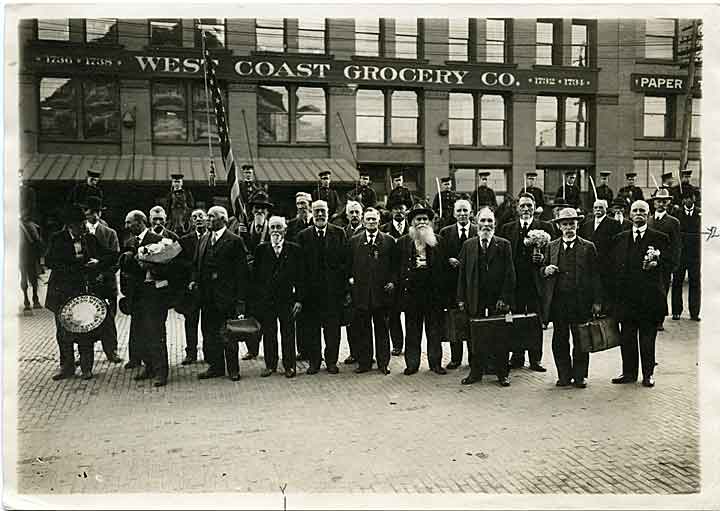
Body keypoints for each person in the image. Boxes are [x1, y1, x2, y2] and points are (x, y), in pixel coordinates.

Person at [45, 205, 118, 381]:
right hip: (62, 292)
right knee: (63, 332)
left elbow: (111, 255)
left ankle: (86, 367)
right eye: (80, 224)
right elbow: (50, 261)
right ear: (70, 225)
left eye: (84, 223)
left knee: (86, 330)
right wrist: (79, 267)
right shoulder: (57, 239)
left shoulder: (90, 239)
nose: (83, 227)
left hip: (83, 293)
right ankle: (67, 367)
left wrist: (98, 262)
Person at [610, 200, 670, 388]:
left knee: (647, 339)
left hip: (649, 298)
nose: (638, 214)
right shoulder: (620, 238)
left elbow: (671, 263)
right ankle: (628, 373)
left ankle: (648, 373)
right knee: (627, 338)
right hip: (626, 299)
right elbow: (613, 267)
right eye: (635, 210)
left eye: (642, 211)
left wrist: (657, 264)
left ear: (648, 214)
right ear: (629, 214)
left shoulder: (659, 238)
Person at [541, 208, 602, 389]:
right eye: (565, 224)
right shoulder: (551, 246)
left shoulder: (588, 247)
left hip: (580, 301)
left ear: (578, 225)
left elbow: (595, 275)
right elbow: (542, 268)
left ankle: (580, 375)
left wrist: (597, 301)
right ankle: (564, 375)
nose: (569, 228)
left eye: (572, 224)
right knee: (560, 339)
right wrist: (545, 270)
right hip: (559, 301)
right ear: (559, 226)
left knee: (581, 339)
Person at [190, 206, 250, 382]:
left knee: (228, 334)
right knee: (209, 334)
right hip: (206, 297)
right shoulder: (204, 239)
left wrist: (240, 300)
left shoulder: (234, 241)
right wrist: (193, 280)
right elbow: (195, 264)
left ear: (223, 219)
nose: (207, 219)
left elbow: (242, 272)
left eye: (211, 216)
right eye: (207, 216)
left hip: (227, 298)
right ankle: (215, 367)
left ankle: (233, 369)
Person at [457, 207, 516, 386]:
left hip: (497, 301)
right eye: (483, 221)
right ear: (476, 223)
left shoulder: (504, 245)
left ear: (495, 224)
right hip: (475, 299)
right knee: (475, 337)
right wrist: (461, 298)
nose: (486, 225)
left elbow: (510, 275)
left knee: (500, 337)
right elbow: (462, 274)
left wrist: (505, 299)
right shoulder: (469, 245)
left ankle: (502, 374)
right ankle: (476, 373)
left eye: (490, 221)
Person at [120, 210, 177, 387]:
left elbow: (171, 267)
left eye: (129, 223)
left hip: (154, 295)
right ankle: (149, 366)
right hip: (136, 296)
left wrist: (150, 268)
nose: (127, 226)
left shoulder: (158, 240)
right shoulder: (129, 242)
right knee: (142, 333)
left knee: (156, 333)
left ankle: (161, 371)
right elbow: (124, 270)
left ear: (140, 222)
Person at [499, 193, 555, 371]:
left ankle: (535, 358)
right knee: (514, 320)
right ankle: (517, 356)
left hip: (534, 283)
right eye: (522, 205)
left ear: (535, 207)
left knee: (534, 320)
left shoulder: (545, 227)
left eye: (529, 205)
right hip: (515, 283)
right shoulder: (507, 228)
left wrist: (542, 259)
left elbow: (553, 253)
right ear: (517, 208)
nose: (525, 209)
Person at [296, 200, 349, 375]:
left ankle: (332, 361)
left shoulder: (339, 233)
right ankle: (314, 362)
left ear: (328, 212)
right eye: (316, 211)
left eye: (323, 211)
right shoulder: (303, 236)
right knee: (311, 329)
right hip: (311, 294)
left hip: (333, 293)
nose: (320, 214)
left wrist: (343, 291)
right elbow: (301, 268)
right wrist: (301, 295)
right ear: (312, 213)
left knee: (332, 330)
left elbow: (345, 263)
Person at [395, 203, 447, 376]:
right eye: (418, 219)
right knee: (412, 331)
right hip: (412, 294)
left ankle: (435, 363)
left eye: (425, 219)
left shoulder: (438, 241)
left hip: (433, 294)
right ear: (412, 222)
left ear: (430, 222)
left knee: (434, 331)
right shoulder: (403, 242)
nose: (422, 222)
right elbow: (397, 269)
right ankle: (412, 364)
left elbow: (443, 268)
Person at [252, 216, 303, 378]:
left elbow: (302, 277)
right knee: (269, 333)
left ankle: (289, 366)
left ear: (285, 230)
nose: (275, 231)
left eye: (278, 228)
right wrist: (258, 301)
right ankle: (270, 365)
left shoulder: (294, 249)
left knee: (288, 333)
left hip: (287, 299)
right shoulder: (261, 250)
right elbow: (255, 278)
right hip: (267, 301)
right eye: (272, 228)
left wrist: (299, 300)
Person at [348, 208, 395, 374]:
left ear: (379, 220)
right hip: (361, 294)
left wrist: (391, 281)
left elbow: (394, 266)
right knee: (363, 330)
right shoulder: (354, 241)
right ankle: (364, 363)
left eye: (374, 219)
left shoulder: (389, 241)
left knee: (382, 329)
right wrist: (351, 279)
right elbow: (348, 265)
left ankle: (383, 363)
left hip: (380, 294)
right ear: (363, 221)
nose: (371, 222)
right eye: (368, 219)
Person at [83, 196, 123, 364]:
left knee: (108, 317)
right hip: (86, 282)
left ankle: (111, 350)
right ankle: (85, 354)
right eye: (86, 212)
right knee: (86, 317)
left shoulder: (109, 233)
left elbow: (116, 259)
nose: (88, 215)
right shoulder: (80, 231)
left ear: (98, 214)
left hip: (106, 282)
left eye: (91, 212)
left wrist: (103, 272)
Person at [439, 199, 477, 369]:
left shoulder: (477, 231)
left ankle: (474, 357)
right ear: (454, 213)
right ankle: (456, 358)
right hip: (453, 286)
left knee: (473, 321)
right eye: (459, 211)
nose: (462, 214)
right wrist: (448, 260)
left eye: (465, 210)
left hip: (473, 285)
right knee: (456, 321)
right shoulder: (446, 233)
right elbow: (439, 257)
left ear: (471, 212)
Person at [177, 209, 208, 365]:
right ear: (191, 221)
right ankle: (191, 353)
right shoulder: (185, 240)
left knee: (208, 322)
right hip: (191, 288)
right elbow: (179, 262)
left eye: (201, 216)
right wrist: (193, 268)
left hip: (209, 288)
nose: (198, 219)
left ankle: (209, 352)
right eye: (195, 217)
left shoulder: (212, 237)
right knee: (191, 320)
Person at [380, 198, 411, 356]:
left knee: (412, 314)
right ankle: (397, 344)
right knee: (393, 314)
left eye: (402, 208)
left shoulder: (413, 230)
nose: (399, 212)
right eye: (396, 209)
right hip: (392, 279)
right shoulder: (384, 230)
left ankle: (412, 345)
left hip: (408, 279)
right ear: (391, 212)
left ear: (406, 211)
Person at [579, 199, 622, 309]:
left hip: (606, 263)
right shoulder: (587, 225)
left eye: (600, 207)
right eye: (596, 208)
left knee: (605, 289)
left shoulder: (614, 224)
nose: (598, 210)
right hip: (590, 263)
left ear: (606, 209)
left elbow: (617, 245)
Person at [648, 188, 681, 331]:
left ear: (667, 203)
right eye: (658, 201)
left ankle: (659, 320)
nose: (660, 204)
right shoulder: (648, 220)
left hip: (664, 263)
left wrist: (672, 264)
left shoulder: (673, 222)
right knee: (650, 290)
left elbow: (676, 245)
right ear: (654, 203)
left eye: (663, 201)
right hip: (648, 262)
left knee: (662, 291)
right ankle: (649, 317)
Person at [671, 190, 701, 321]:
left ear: (694, 199)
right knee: (677, 282)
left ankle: (694, 312)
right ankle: (676, 311)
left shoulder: (700, 214)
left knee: (695, 283)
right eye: (685, 198)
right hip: (680, 255)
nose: (687, 201)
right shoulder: (676, 214)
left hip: (695, 255)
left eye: (690, 198)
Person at [20, 213, 44, 313]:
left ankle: (34, 298)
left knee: (35, 236)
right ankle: (28, 299)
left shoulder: (32, 225)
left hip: (29, 254)